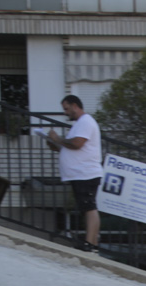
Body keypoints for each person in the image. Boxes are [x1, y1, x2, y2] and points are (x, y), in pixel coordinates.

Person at [46, 95, 103, 253]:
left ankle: (91, 244)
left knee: (89, 207)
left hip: (86, 173)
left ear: (75, 105)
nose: (65, 113)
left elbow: (77, 144)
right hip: (80, 174)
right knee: (87, 207)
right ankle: (91, 243)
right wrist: (55, 144)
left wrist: (57, 138)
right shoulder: (79, 124)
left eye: (66, 109)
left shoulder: (86, 121)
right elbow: (70, 147)